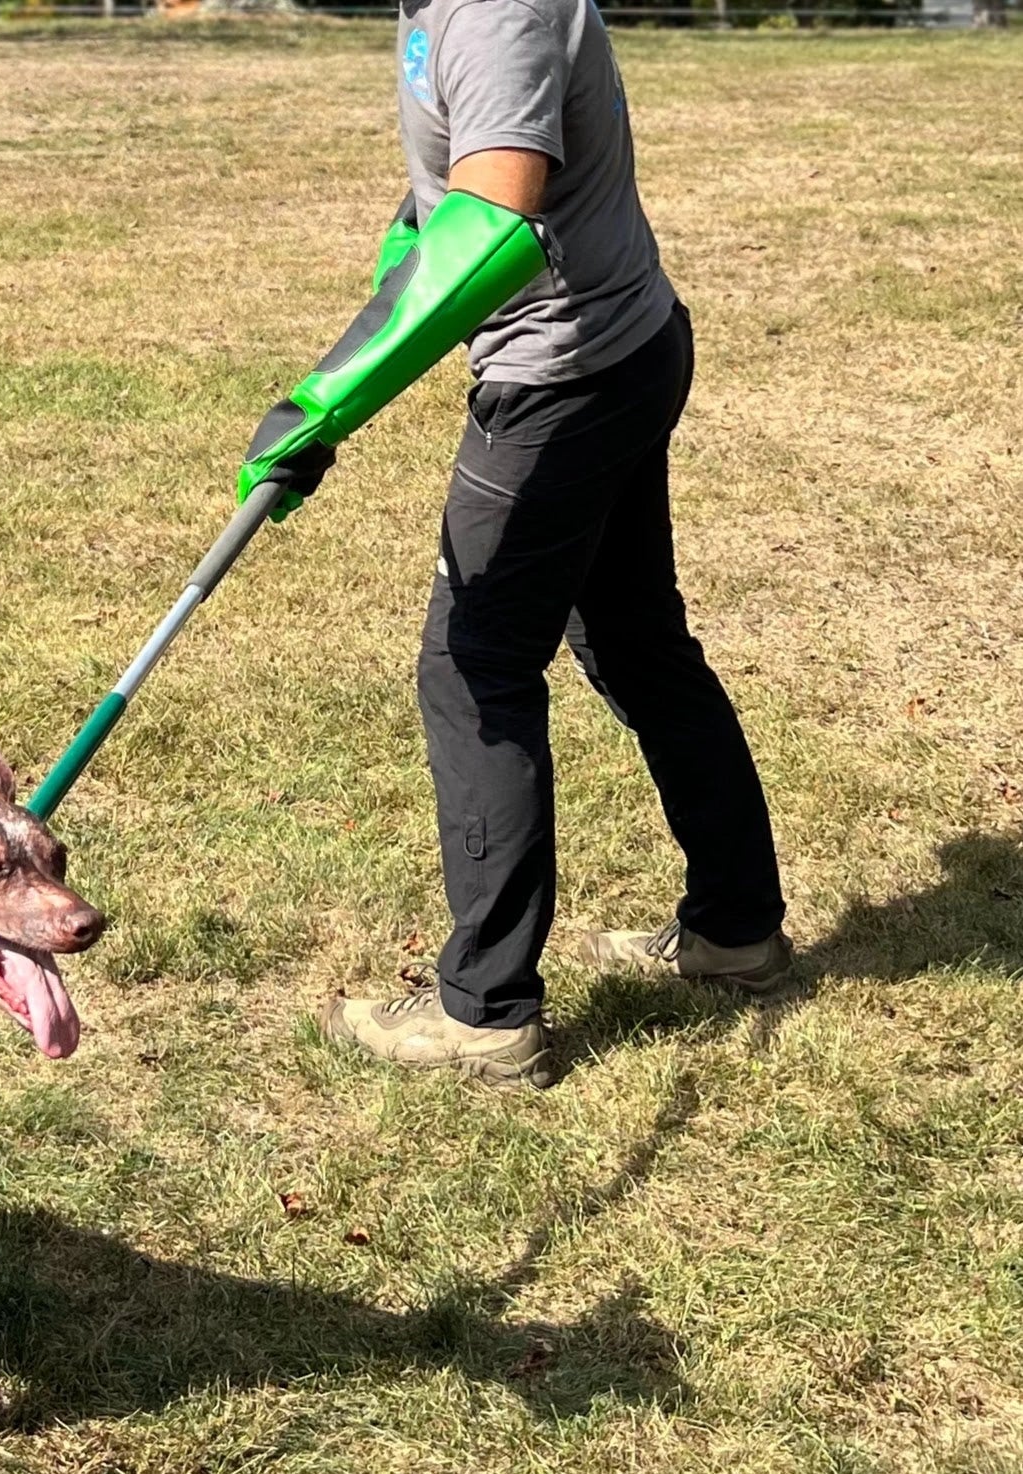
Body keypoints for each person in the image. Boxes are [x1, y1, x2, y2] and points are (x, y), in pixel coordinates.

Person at [235, 0, 790, 1089]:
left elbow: (494, 213)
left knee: (474, 665)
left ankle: (485, 1014)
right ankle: (735, 930)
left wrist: (325, 403)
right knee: (634, 641)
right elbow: (453, 189)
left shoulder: (492, 9)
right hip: (619, 345)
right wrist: (407, 240)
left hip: (565, 381)